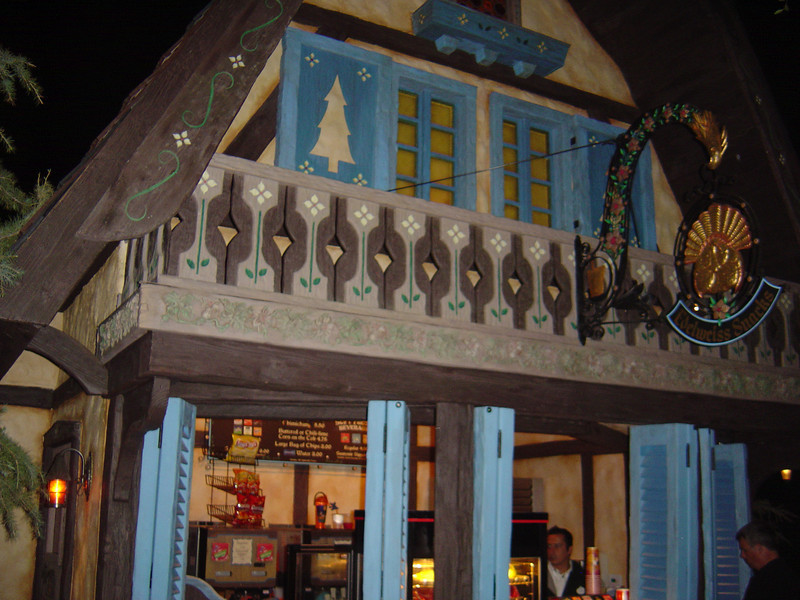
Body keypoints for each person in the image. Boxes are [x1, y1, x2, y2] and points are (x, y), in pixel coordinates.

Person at [736, 521, 795, 600]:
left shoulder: (762, 583)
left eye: (745, 550)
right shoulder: (791, 575)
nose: (742, 555)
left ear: (760, 549)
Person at [546, 526, 585, 598]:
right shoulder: (540, 574)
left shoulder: (582, 575)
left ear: (569, 550)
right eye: (549, 546)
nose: (552, 551)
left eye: (557, 546)